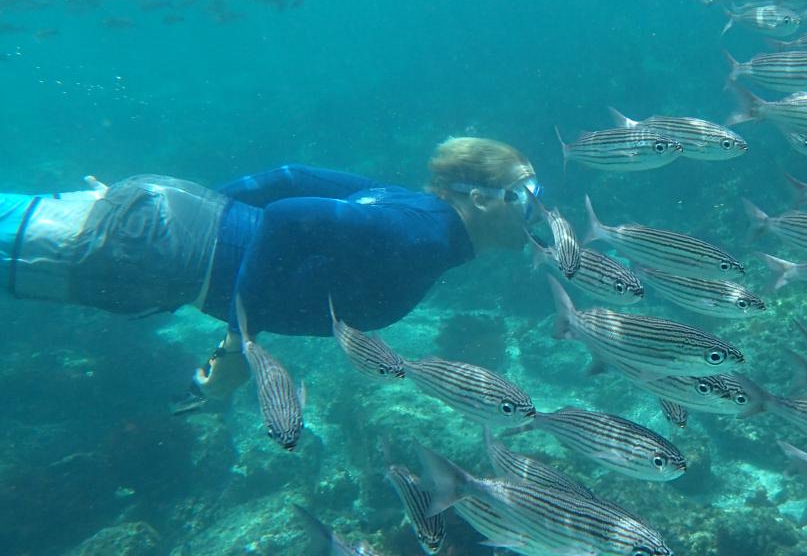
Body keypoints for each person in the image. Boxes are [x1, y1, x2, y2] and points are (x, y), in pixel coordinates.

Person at [0, 137, 542, 410]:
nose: (540, 212)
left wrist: (184, 211)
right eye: (526, 195)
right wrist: (240, 344)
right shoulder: (421, 237)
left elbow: (291, 177)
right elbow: (287, 217)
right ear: (479, 198)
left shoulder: (417, 214)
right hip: (152, 252)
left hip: (160, 228)